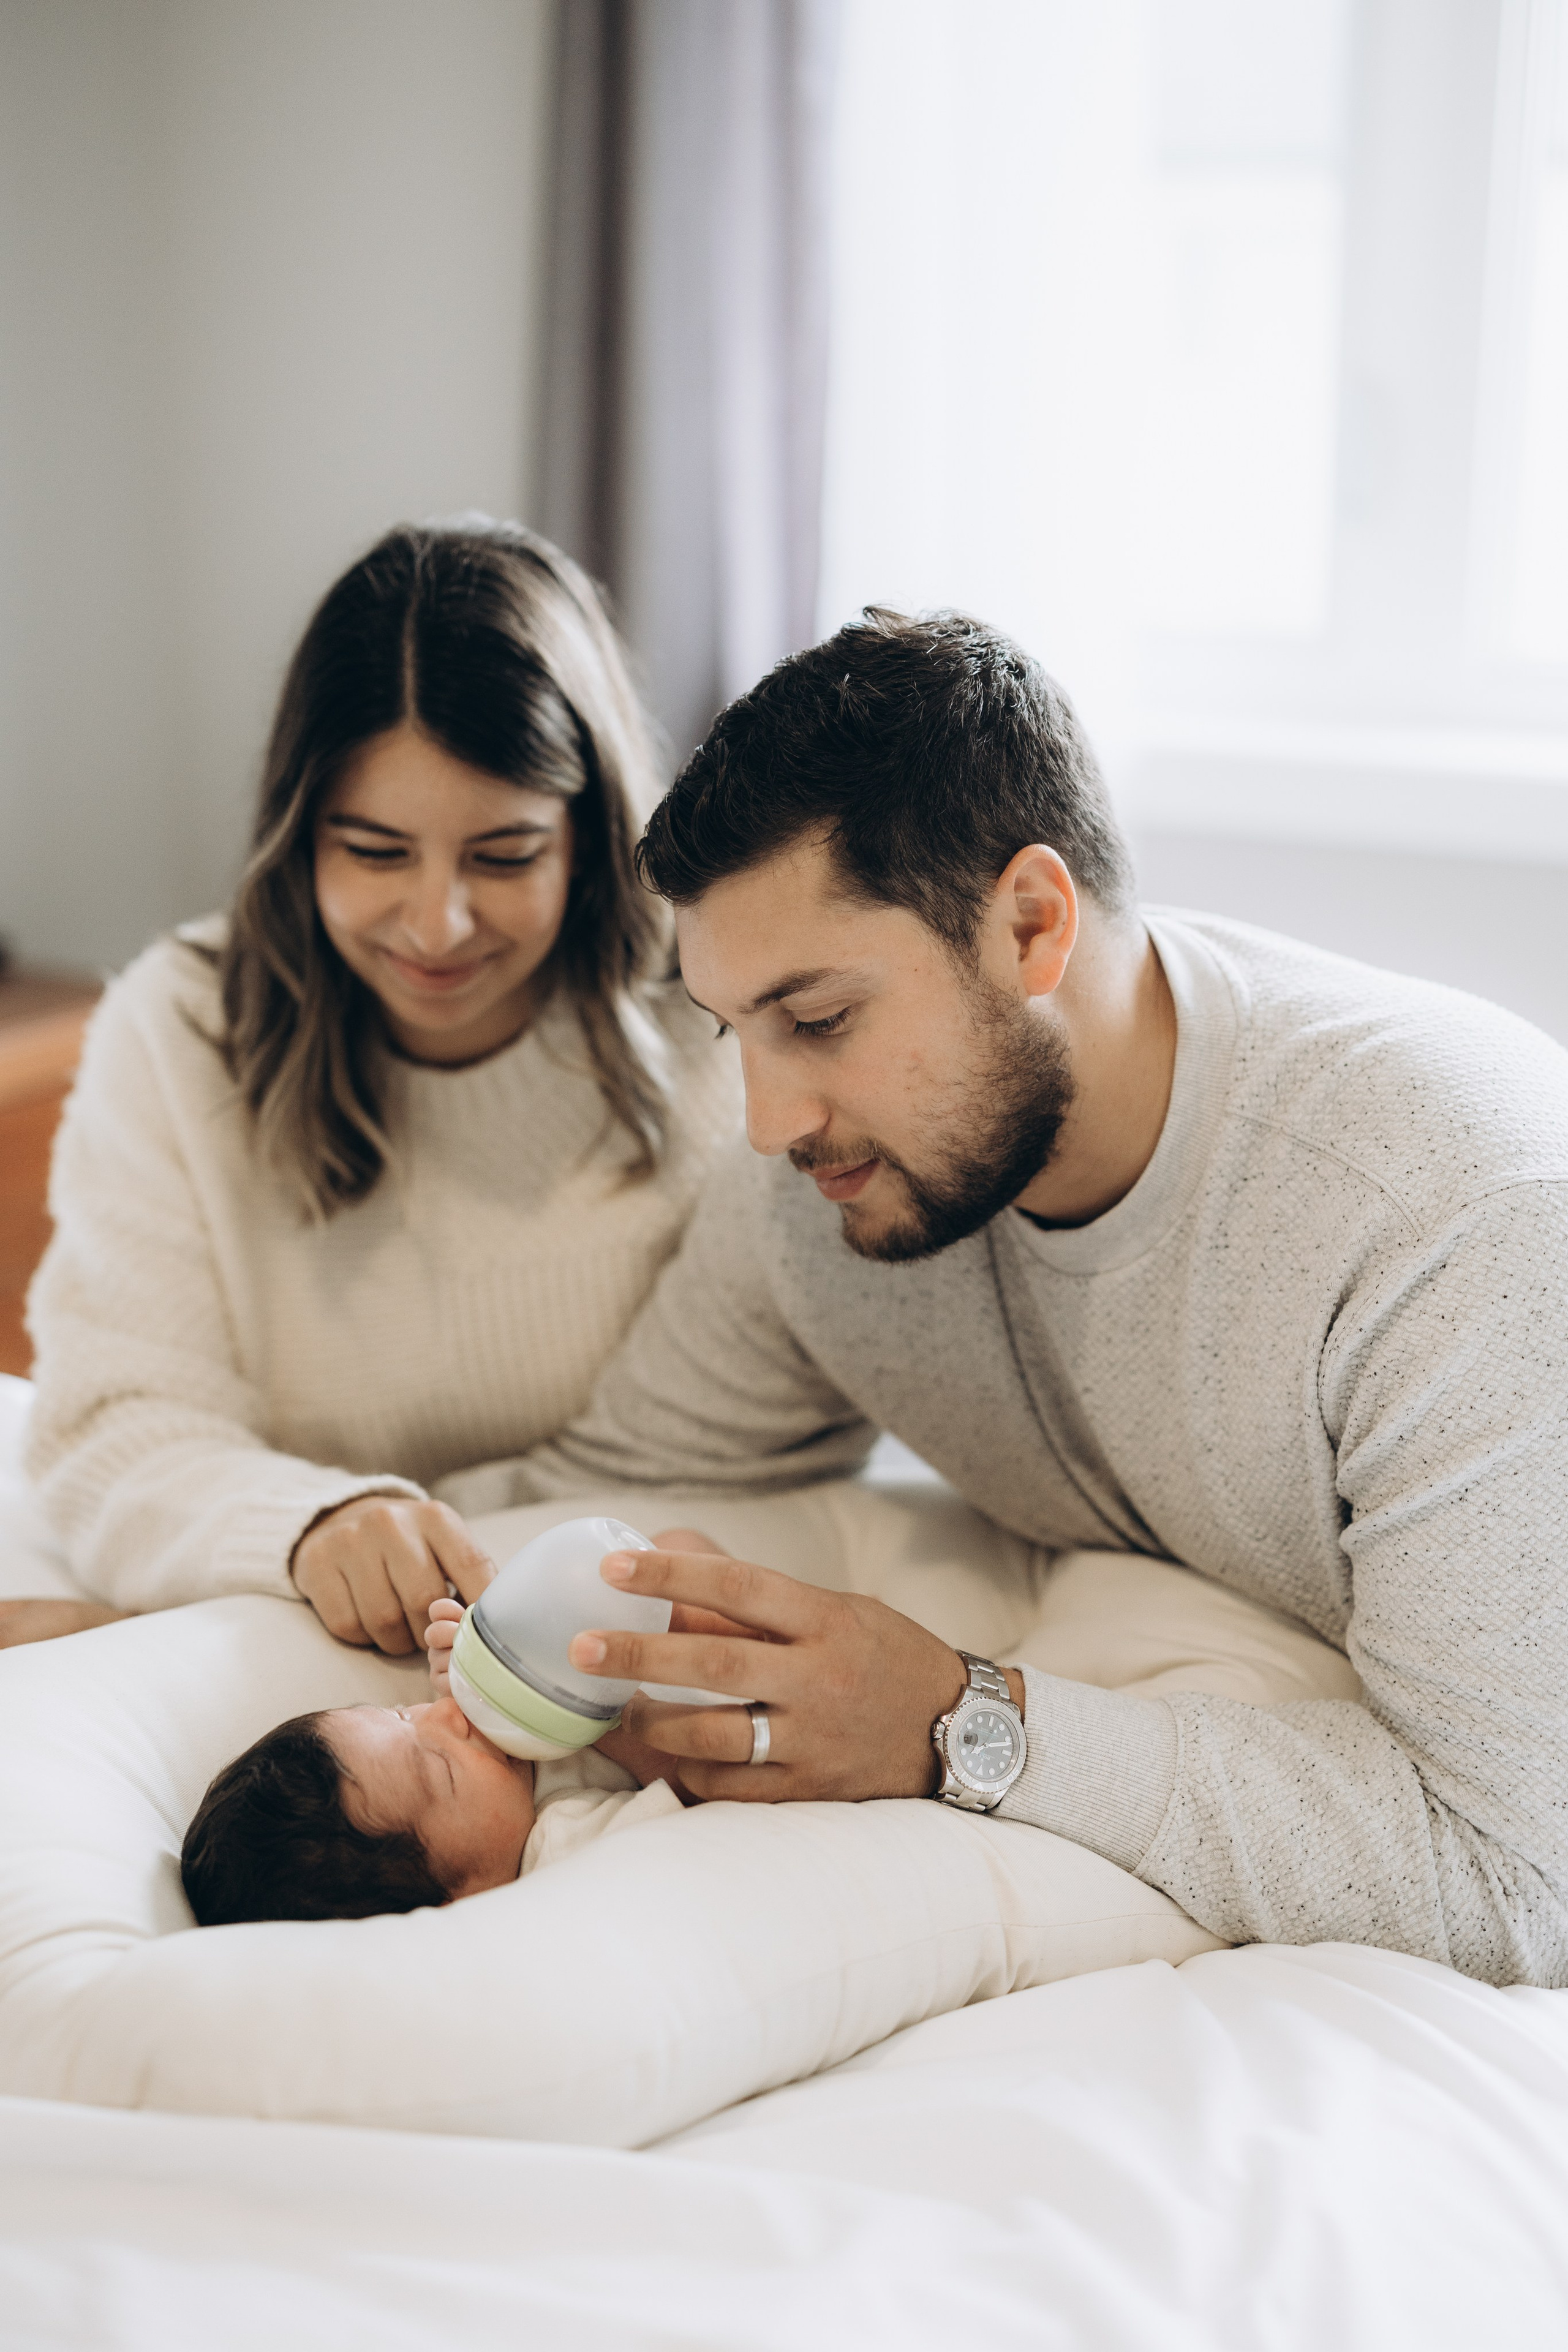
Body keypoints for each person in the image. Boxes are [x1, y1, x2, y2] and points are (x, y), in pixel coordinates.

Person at [458, 605, 1568, 1991]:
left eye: (815, 1019)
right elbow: (610, 1478)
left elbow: (1518, 1874)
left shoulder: (1441, 1202)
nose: (762, 1119)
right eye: (730, 1030)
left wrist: (955, 1718)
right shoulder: (825, 1185)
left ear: (1031, 923)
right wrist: (286, 1549)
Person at [15, 521, 740, 1653]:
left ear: (588, 842)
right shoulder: (178, 1030)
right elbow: (111, 1425)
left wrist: (447, 1560)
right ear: (299, 838)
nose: (438, 925)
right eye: (374, 850)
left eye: (504, 856)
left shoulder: (715, 1023)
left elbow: (741, 1450)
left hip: (589, 1631)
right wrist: (314, 1524)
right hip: (315, 1627)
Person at [179, 1693, 683, 1925]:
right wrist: (603, 1710)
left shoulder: (510, 1783)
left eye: (400, 1713)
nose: (446, 1712)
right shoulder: (566, 1850)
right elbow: (713, 1791)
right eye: (441, 1767)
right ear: (460, 1905)